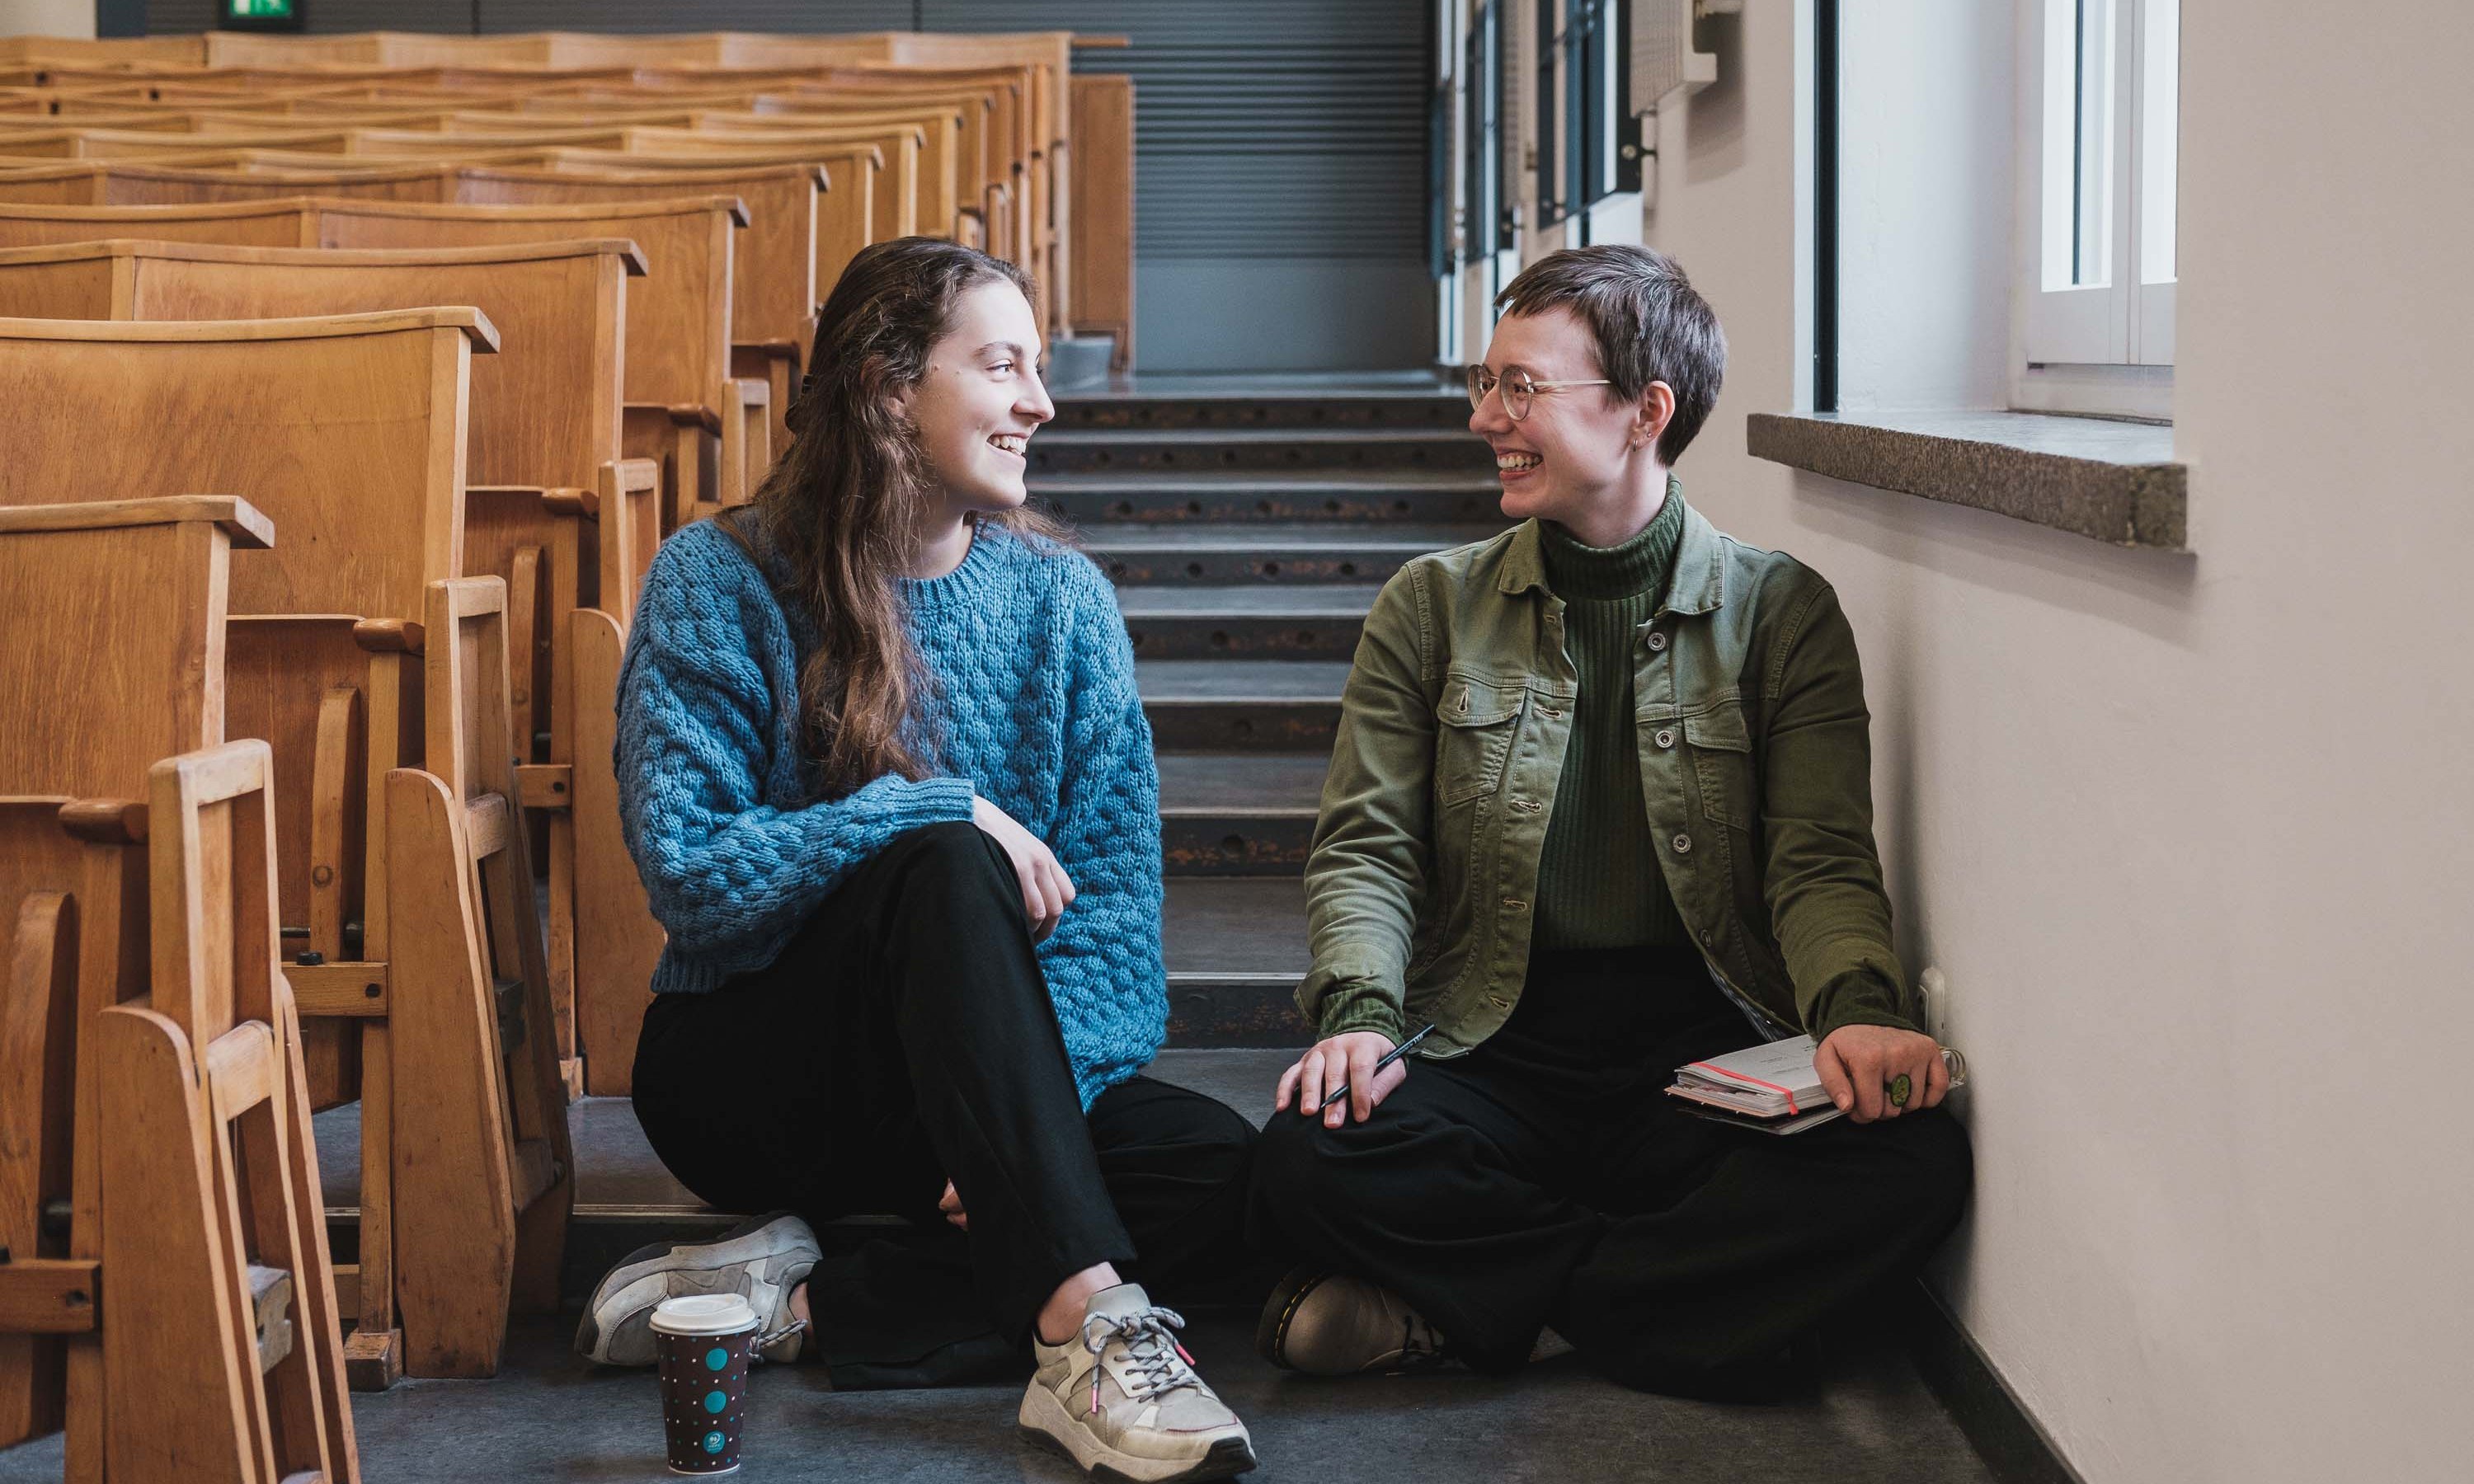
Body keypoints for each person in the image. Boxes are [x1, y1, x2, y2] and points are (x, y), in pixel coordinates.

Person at [576, 237, 1259, 1482]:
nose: (1040, 403)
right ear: (890, 387)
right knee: (949, 853)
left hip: (969, 1083)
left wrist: (1009, 1126)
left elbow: (1110, 917)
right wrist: (926, 810)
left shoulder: (1062, 601)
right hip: (761, 1065)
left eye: (1039, 369)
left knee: (1226, 1178)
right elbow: (689, 869)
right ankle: (1089, 1340)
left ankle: (791, 1303)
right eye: (1003, 365)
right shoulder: (716, 577)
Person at [1248, 244, 1974, 1398]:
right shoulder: (1429, 608)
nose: (1488, 416)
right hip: (1490, 1036)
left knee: (1912, 1157)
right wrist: (1360, 1017)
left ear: (1647, 410)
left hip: (1701, 1044)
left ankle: (1499, 1314)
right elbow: (1369, 850)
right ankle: (1681, 1308)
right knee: (1305, 1155)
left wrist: (1860, 1014)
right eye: (1484, 386)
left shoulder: (1782, 614)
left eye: (1521, 387)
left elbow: (1820, 861)